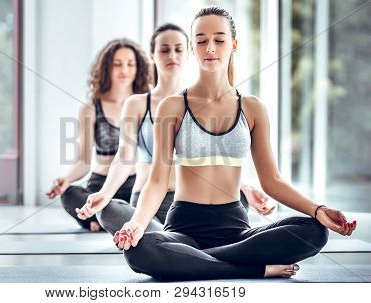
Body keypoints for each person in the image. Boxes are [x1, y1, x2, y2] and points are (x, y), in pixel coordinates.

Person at [113, 7, 357, 280]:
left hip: (236, 229)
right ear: (193, 47)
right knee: (140, 250)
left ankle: (196, 263)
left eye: (219, 40)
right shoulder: (173, 107)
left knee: (313, 232)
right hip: (184, 228)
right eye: (202, 40)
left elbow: (272, 180)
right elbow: (157, 182)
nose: (210, 48)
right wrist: (136, 224)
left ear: (233, 44)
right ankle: (249, 267)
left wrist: (318, 210)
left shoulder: (252, 108)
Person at [76, 24, 274, 236]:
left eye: (178, 49)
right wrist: (105, 194)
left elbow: (214, 159)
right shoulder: (137, 103)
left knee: (236, 198)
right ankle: (171, 239)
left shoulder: (199, 102)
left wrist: (245, 185)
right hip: (150, 202)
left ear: (189, 51)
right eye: (164, 49)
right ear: (152, 55)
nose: (172, 55)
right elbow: (124, 156)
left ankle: (174, 244)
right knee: (109, 211)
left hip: (190, 205)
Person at [46, 39, 150, 232]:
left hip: (137, 185)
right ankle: (108, 218)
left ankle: (103, 219)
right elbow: (83, 161)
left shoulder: (146, 103)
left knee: (152, 200)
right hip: (100, 185)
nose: (124, 70)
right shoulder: (91, 108)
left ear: (139, 68)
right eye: (117, 64)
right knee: (70, 195)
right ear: (107, 68)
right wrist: (66, 180)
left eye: (130, 64)